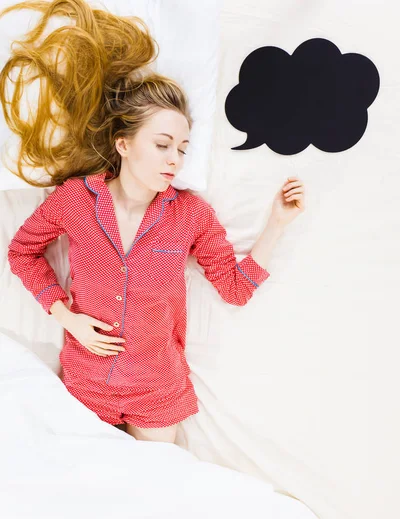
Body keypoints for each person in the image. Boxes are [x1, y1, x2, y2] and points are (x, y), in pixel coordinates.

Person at [2, 0, 305, 444]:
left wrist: (277, 223)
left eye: (182, 148)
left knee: (158, 497)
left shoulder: (191, 215)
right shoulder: (75, 201)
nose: (174, 159)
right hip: (86, 385)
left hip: (157, 391)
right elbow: (21, 252)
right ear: (123, 145)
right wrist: (66, 316)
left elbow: (235, 289)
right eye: (163, 144)